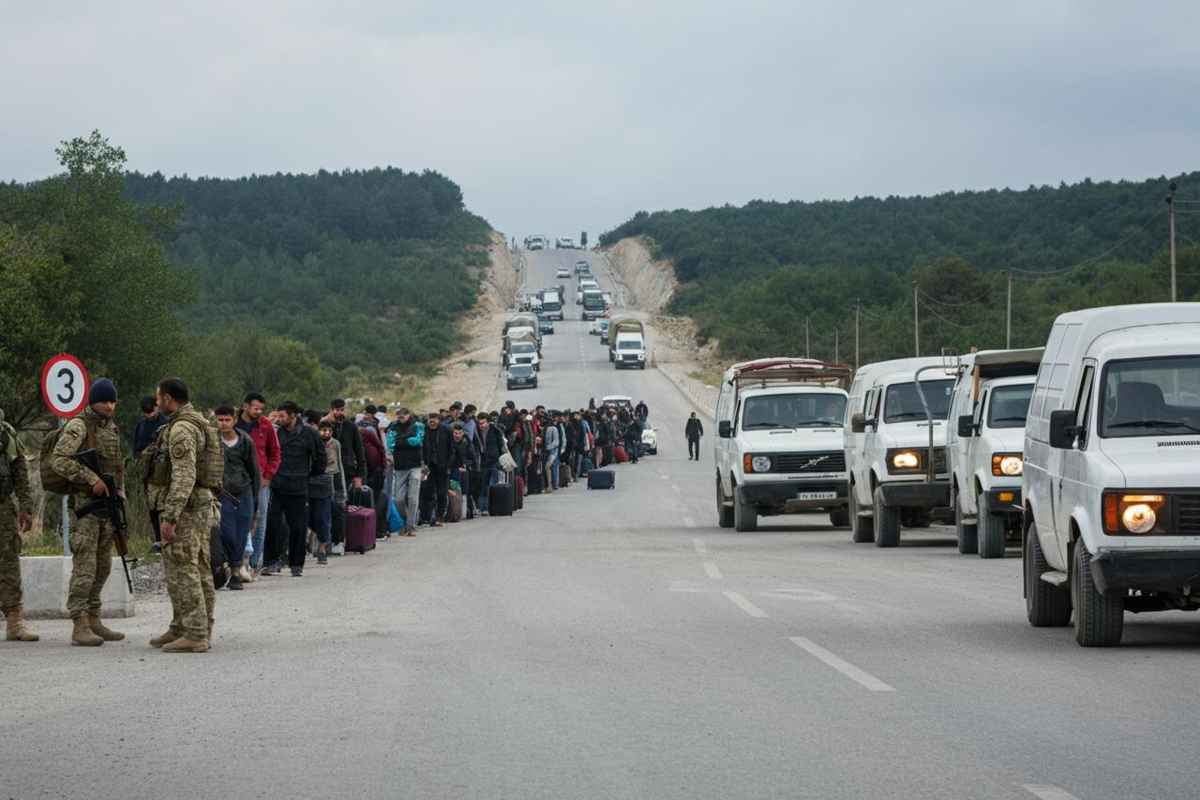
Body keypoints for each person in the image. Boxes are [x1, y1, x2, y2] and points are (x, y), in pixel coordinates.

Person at [50, 377, 126, 647]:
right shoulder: (79, 426)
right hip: (85, 509)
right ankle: (79, 623)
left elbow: (117, 465)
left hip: (107, 508)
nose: (110, 405)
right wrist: (89, 478)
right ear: (93, 401)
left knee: (103, 566)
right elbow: (58, 459)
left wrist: (119, 490)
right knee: (85, 567)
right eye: (105, 400)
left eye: (113, 401)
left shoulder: (111, 428)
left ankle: (94, 618)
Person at [146, 378, 216, 653]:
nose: (156, 402)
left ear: (168, 398)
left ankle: (196, 633)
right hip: (198, 505)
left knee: (184, 568)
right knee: (197, 566)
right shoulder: (196, 421)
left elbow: (184, 476)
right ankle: (183, 626)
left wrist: (171, 516)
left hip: (186, 509)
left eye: (159, 397)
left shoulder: (182, 428)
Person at [265, 401, 325, 577]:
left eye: (282, 416)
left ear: (293, 416)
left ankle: (296, 563)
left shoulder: (309, 434)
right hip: (277, 485)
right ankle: (271, 562)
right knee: (273, 525)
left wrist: (309, 475)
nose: (279, 419)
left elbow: (320, 458)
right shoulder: (276, 433)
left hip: (299, 487)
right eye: (278, 416)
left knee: (298, 527)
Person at [0, 409, 37, 642]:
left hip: (2, 506)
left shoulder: (5, 432)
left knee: (9, 562)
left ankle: (14, 622)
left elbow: (19, 469)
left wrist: (26, 505)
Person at [214, 406, 259, 591]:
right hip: (222, 493)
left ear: (234, 420)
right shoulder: (213, 441)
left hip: (244, 491)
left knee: (241, 533)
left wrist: (255, 501)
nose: (223, 424)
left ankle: (235, 573)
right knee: (227, 532)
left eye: (227, 420)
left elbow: (254, 470)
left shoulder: (245, 441)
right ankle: (229, 567)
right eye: (220, 420)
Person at [236, 392, 279, 580]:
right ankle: (236, 562)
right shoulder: (233, 423)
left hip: (260, 481)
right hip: (236, 480)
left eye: (262, 409)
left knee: (259, 521)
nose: (259, 412)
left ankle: (254, 564)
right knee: (238, 519)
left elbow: (275, 452)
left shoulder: (266, 425)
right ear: (245, 406)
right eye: (256, 408)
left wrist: (268, 475)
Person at [387, 408, 424, 536]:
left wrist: (400, 440)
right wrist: (407, 440)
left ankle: (411, 526)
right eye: (399, 415)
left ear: (409, 415)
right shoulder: (393, 427)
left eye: (403, 415)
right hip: (400, 466)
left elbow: (417, 441)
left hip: (415, 465)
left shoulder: (418, 426)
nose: (401, 417)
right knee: (398, 499)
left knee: (413, 498)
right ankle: (404, 522)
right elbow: (390, 444)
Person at [309, 421, 340, 565]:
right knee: (309, 516)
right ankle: (311, 546)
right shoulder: (309, 443)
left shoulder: (335, 444)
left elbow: (339, 467)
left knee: (323, 516)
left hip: (327, 482)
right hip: (308, 482)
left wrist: (342, 490)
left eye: (328, 430)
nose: (325, 433)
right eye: (323, 430)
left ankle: (322, 549)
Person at [325, 399, 366, 493]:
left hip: (347, 470)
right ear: (331, 410)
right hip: (327, 471)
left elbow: (359, 451)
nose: (339, 412)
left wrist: (360, 476)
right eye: (337, 410)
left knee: (345, 502)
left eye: (342, 410)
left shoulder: (351, 426)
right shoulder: (324, 425)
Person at [422, 412, 453, 526]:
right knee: (427, 492)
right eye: (430, 419)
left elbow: (452, 449)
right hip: (428, 467)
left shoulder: (446, 430)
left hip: (443, 466)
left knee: (441, 493)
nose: (432, 421)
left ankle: (440, 516)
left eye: (434, 419)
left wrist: (449, 465)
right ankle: (427, 517)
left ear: (439, 420)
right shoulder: (424, 430)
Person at [476, 414, 505, 514]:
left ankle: (492, 507)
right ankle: (482, 508)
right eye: (479, 423)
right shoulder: (477, 432)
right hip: (484, 461)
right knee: (483, 485)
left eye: (483, 423)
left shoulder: (495, 431)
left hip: (494, 461)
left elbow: (501, 444)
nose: (481, 425)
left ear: (488, 422)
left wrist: (499, 457)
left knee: (492, 485)